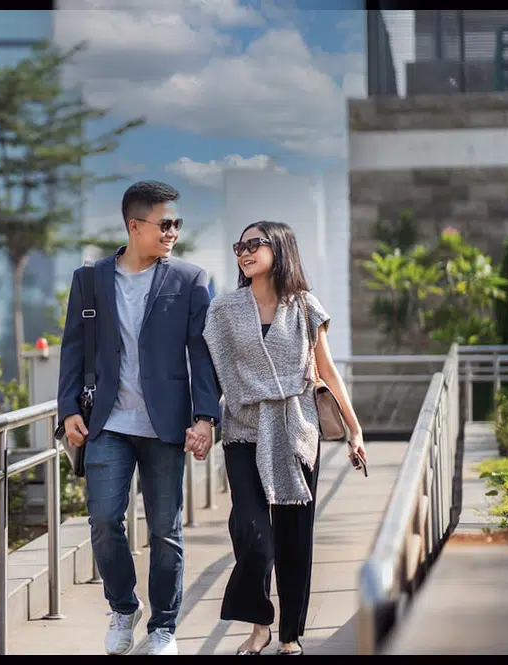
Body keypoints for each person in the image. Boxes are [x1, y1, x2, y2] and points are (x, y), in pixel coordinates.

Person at [57, 180, 221, 655]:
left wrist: (206, 417)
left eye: (176, 224)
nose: (172, 232)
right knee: (105, 520)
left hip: (166, 425)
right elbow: (73, 348)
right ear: (135, 225)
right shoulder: (89, 279)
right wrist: (68, 409)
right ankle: (123, 607)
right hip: (106, 422)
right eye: (164, 224)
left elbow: (202, 354)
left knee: (166, 530)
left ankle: (164, 628)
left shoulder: (190, 280)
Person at [197, 221, 367, 656]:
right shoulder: (224, 310)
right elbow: (212, 373)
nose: (245, 252)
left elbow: (326, 371)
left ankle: (289, 634)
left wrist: (354, 429)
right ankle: (259, 624)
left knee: (294, 539)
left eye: (255, 243)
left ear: (281, 248)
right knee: (252, 532)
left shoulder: (306, 306)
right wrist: (201, 422)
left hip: (296, 429)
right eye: (240, 246)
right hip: (243, 428)